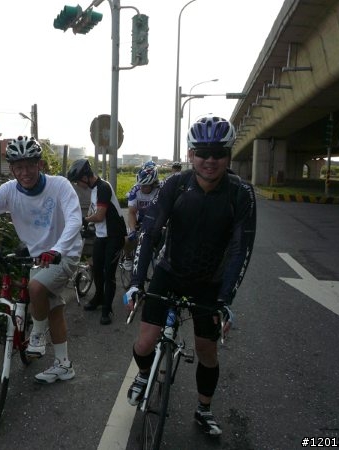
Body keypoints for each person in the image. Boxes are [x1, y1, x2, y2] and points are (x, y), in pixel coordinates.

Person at [124, 116, 257, 436]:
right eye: (202, 153)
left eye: (219, 153)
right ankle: (144, 374)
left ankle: (203, 409)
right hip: (169, 272)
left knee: (206, 351)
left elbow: (240, 250)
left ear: (229, 155)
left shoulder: (241, 193)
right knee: (145, 342)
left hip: (209, 282)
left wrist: (225, 299)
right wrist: (136, 283)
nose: (210, 160)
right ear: (190, 154)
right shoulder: (176, 184)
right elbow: (149, 232)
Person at [0, 136, 83, 384]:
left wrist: (57, 249)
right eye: (19, 167)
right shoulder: (8, 191)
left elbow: (74, 220)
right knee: (53, 308)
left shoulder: (59, 186)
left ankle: (37, 335)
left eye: (30, 165)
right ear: (12, 169)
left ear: (40, 164)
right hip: (38, 258)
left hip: (64, 253)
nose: (25, 172)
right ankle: (64, 365)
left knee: (35, 288)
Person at [67, 159, 126, 325]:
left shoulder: (103, 187)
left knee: (109, 273)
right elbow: (95, 214)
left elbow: (99, 216)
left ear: (85, 177)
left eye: (77, 181)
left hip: (115, 236)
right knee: (97, 269)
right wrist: (87, 225)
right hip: (102, 235)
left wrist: (84, 220)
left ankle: (107, 309)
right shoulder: (93, 190)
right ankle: (99, 298)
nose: (78, 185)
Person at [123, 162, 162, 270]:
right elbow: (131, 212)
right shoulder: (135, 190)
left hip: (155, 219)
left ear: (153, 184)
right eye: (141, 185)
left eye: (145, 186)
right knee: (128, 240)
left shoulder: (160, 189)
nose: (142, 188)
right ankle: (128, 257)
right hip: (139, 219)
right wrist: (132, 230)